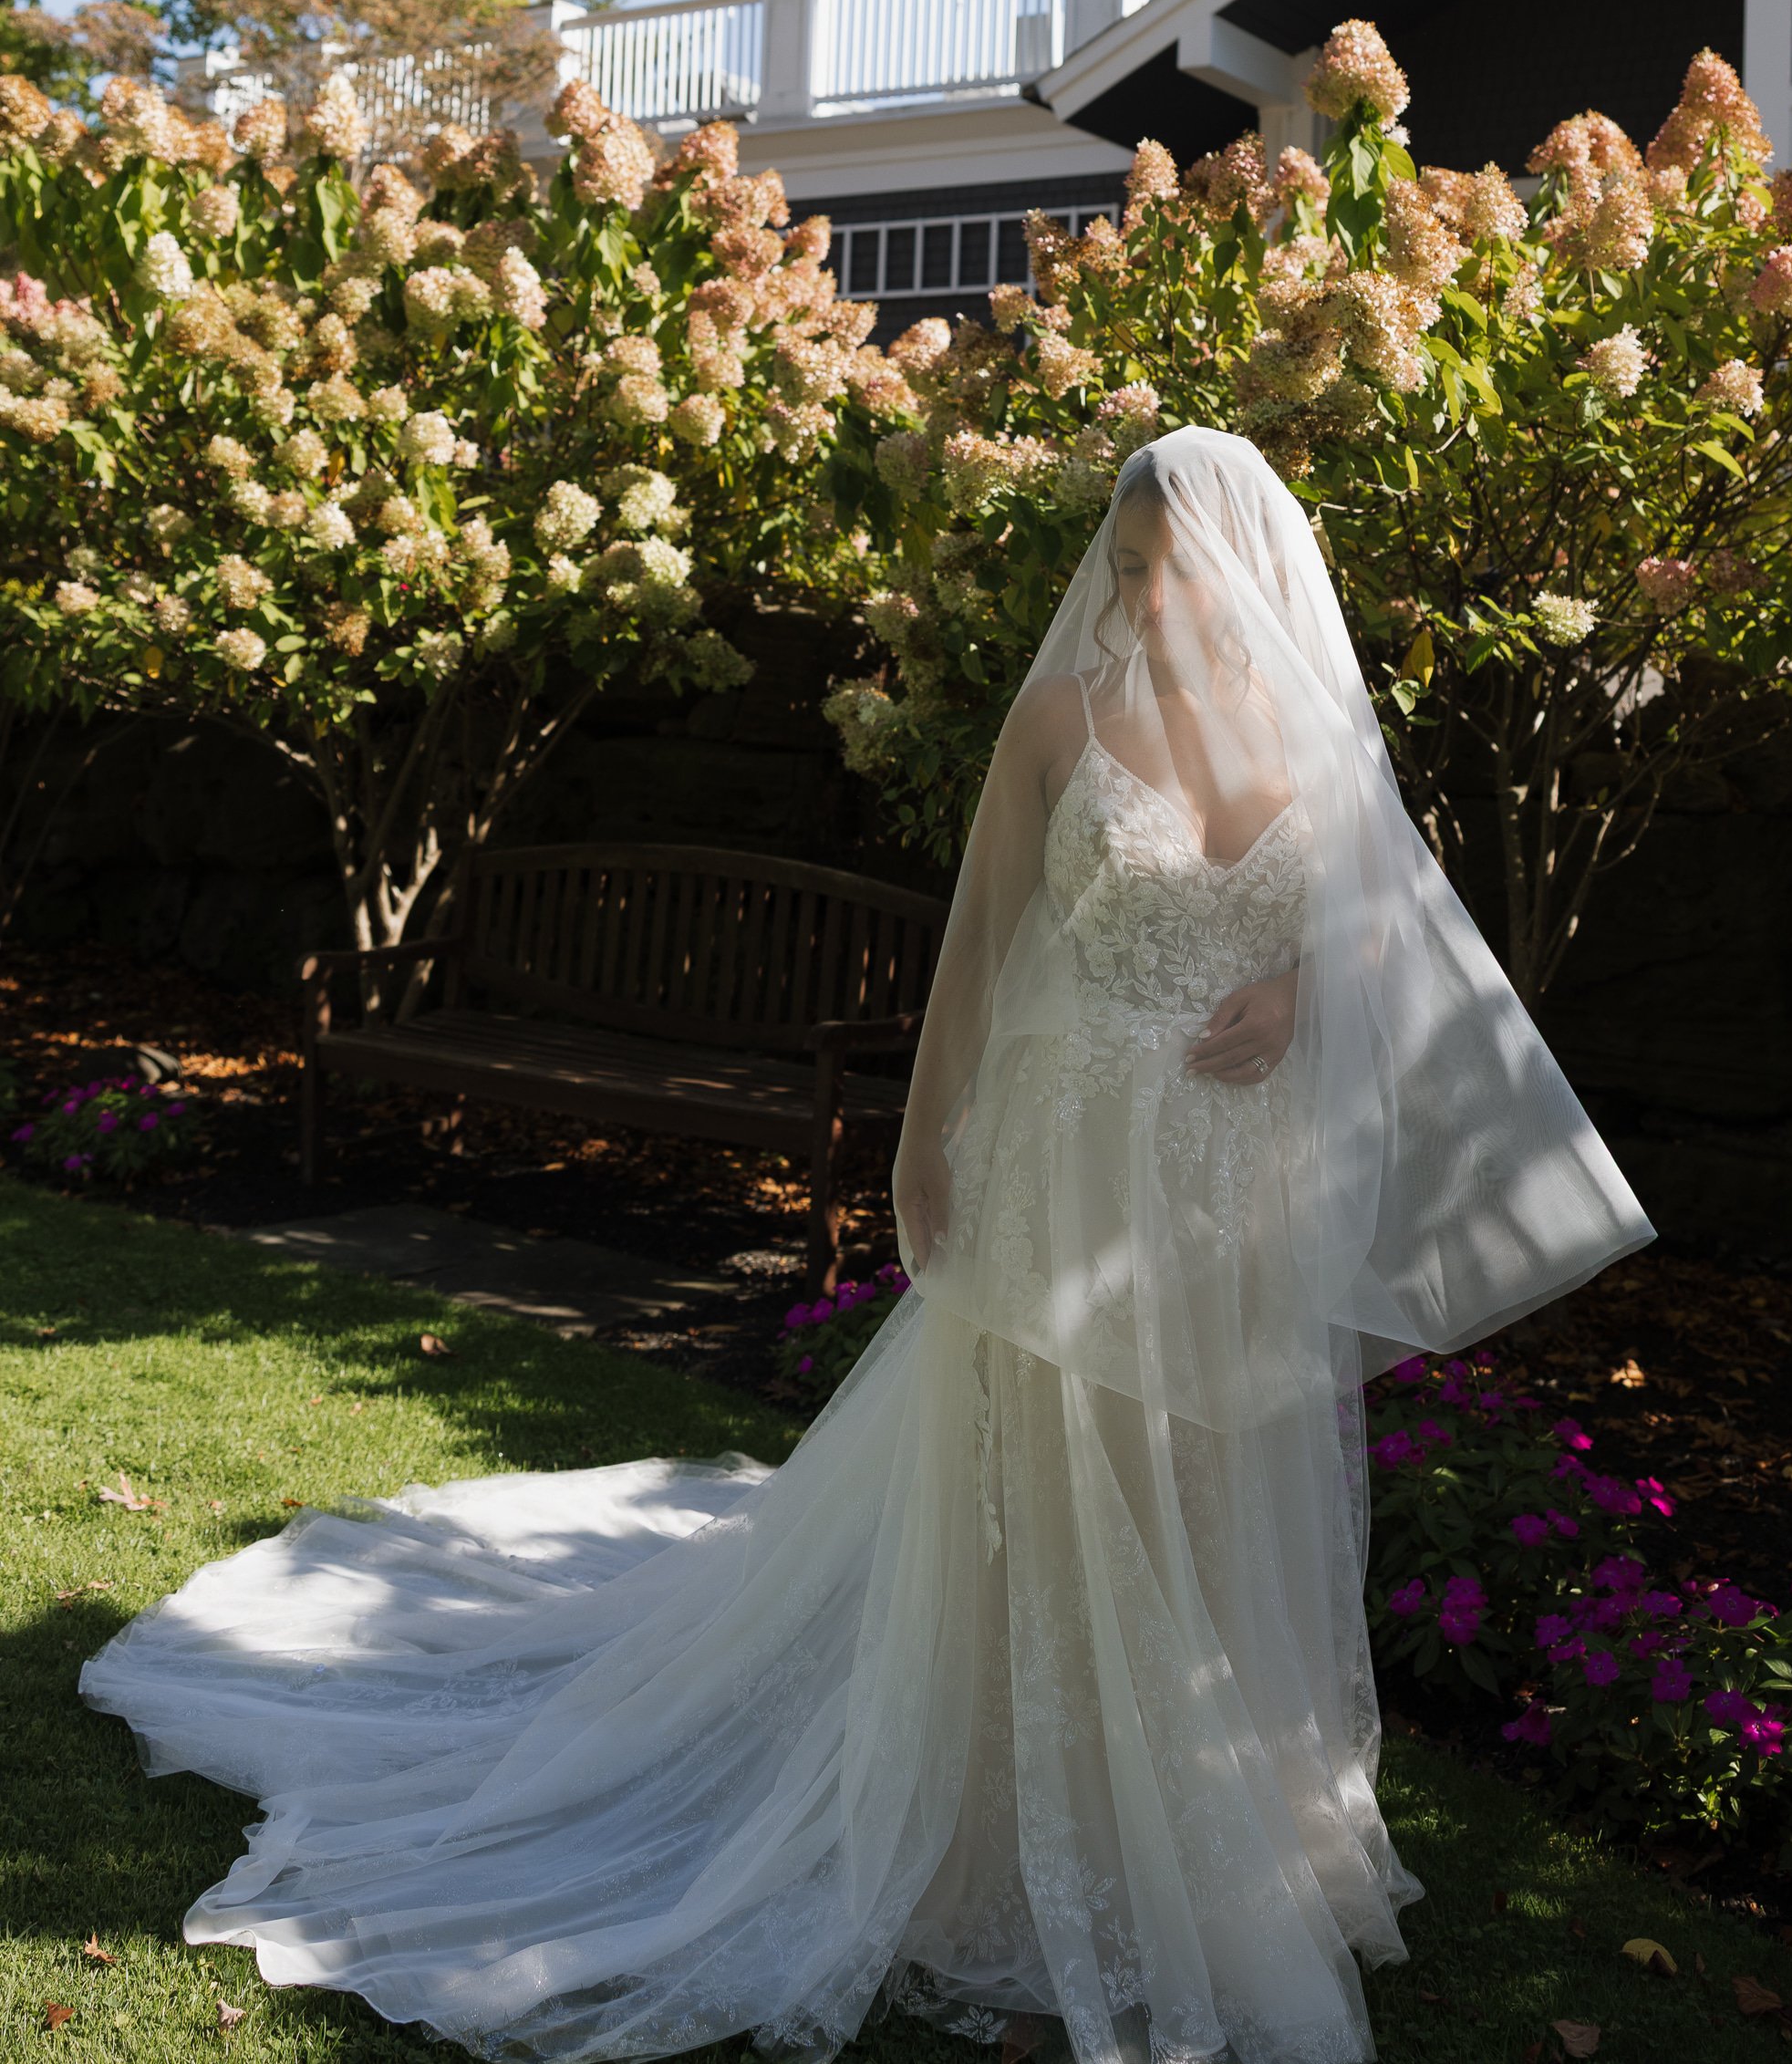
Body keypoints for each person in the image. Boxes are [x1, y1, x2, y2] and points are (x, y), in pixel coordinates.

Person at [82, 427, 1653, 2064]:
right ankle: (1011, 1828)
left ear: (1247, 572)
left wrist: (1301, 989)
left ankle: (1209, 1816)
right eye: (1124, 568)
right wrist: (923, 1141)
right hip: (1061, 1162)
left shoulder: (1314, 734)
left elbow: (1386, 924)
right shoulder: (1065, 718)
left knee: (1202, 1488)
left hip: (1222, 1192)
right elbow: (978, 950)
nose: (1142, 594)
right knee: (1048, 1486)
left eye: (1170, 566)